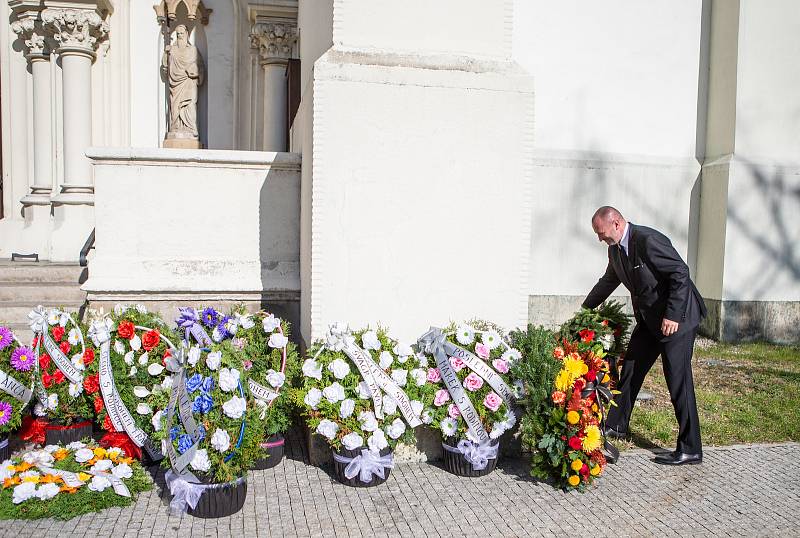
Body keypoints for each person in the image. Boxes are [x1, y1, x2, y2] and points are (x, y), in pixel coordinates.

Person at [582, 206, 706, 465]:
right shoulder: (615, 250)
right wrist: (584, 310)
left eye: (601, 233)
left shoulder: (648, 241)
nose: (600, 238)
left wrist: (672, 315)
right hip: (651, 320)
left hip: (677, 319)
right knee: (631, 367)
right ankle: (617, 425)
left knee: (678, 380)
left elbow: (680, 273)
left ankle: (691, 448)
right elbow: (608, 281)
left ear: (616, 223)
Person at [161, 24, 204, 137]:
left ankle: (191, 128)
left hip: (189, 83)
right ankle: (175, 127)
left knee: (190, 106)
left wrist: (196, 72)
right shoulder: (172, 50)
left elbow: (201, 67)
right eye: (178, 34)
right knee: (175, 108)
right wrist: (166, 53)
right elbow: (165, 67)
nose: (180, 36)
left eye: (182, 33)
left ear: (186, 34)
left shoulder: (193, 50)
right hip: (176, 84)